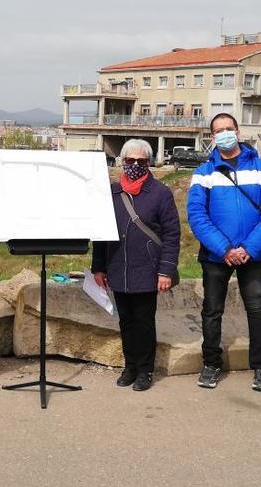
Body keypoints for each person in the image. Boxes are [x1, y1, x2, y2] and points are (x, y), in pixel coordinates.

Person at [187, 113, 261, 392]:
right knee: (212, 311)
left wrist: (249, 248)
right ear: (211, 137)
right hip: (217, 254)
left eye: (229, 129)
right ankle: (211, 364)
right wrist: (225, 248)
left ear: (238, 131)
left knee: (257, 309)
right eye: (218, 131)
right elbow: (196, 215)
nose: (224, 134)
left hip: (253, 254)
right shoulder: (203, 173)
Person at [91, 139, 181, 391]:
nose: (135, 165)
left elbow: (172, 235)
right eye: (130, 160)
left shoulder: (161, 193)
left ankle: (145, 369)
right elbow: (101, 233)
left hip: (147, 270)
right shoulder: (112, 192)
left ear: (148, 163)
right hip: (118, 268)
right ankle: (129, 366)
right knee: (126, 322)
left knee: (144, 322)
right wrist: (99, 266)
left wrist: (166, 270)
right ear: (122, 161)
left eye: (141, 161)